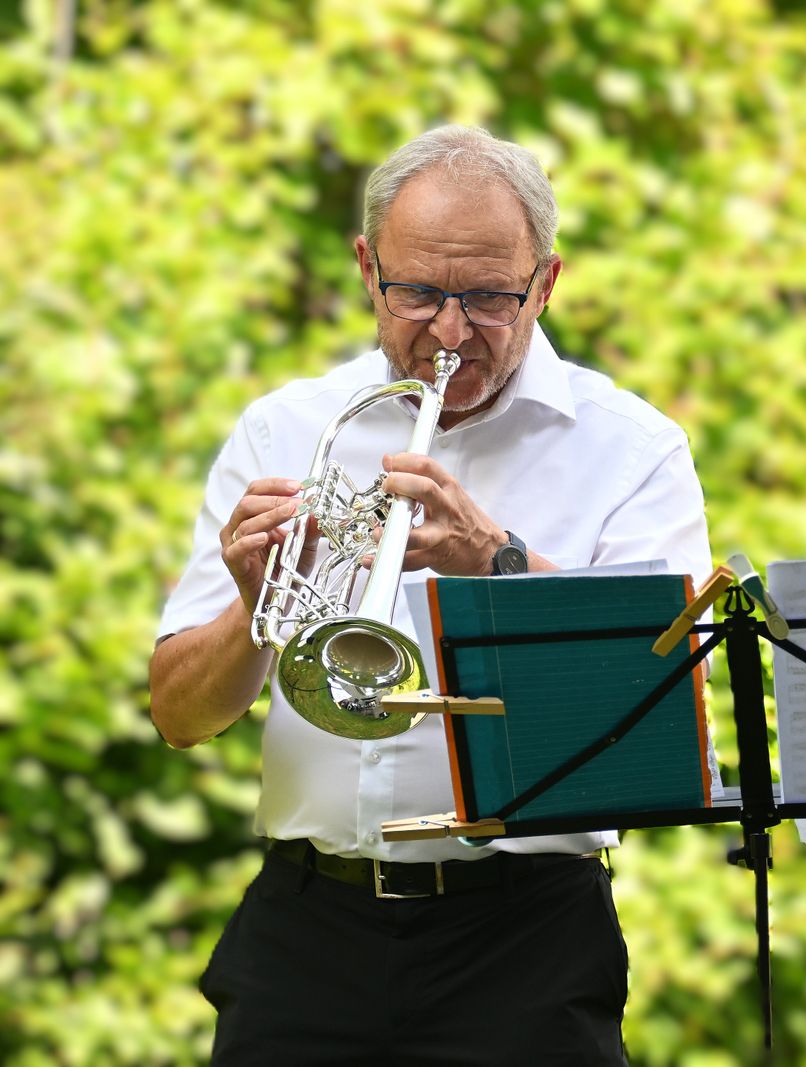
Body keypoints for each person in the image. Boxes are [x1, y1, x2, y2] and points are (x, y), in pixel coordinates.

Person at [149, 125, 712, 1065]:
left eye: (491, 298)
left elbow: (659, 719)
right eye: (417, 293)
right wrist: (254, 607)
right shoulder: (287, 426)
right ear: (369, 270)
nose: (451, 333)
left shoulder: (633, 447)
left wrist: (496, 557)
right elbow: (179, 713)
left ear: (546, 283)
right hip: (306, 928)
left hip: (525, 939)